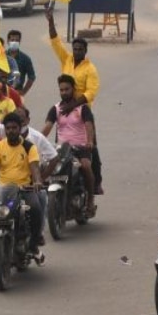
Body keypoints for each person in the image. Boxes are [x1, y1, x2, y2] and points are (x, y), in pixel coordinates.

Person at [45, 6, 102, 194]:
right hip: (65, 111)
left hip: (83, 112)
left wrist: (73, 105)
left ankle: (96, 184)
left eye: (80, 49)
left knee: (91, 151)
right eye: (75, 48)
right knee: (60, 150)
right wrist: (51, 21)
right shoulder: (67, 60)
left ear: (85, 50)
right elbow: (55, 42)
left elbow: (91, 93)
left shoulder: (90, 69)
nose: (76, 51)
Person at [0, 112, 44, 261]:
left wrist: (37, 182)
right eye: (8, 128)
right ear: (4, 129)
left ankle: (33, 246)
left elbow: (35, 168)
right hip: (1, 187)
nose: (11, 130)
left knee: (36, 209)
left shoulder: (29, 147)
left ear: (20, 128)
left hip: (23, 188)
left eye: (14, 128)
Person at [41, 74, 96, 216]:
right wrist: (38, 142)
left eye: (67, 89)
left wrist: (89, 142)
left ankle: (90, 199)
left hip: (80, 148)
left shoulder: (83, 108)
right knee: (45, 168)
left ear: (73, 89)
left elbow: (89, 125)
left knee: (86, 166)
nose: (64, 92)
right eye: (61, 90)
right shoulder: (55, 109)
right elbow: (47, 127)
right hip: (62, 149)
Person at [6, 29, 36, 96]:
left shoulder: (25, 59)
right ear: (8, 41)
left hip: (17, 91)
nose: (14, 42)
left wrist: (23, 92)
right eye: (12, 40)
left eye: (17, 40)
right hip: (3, 91)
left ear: (20, 42)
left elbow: (32, 77)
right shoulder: (2, 56)